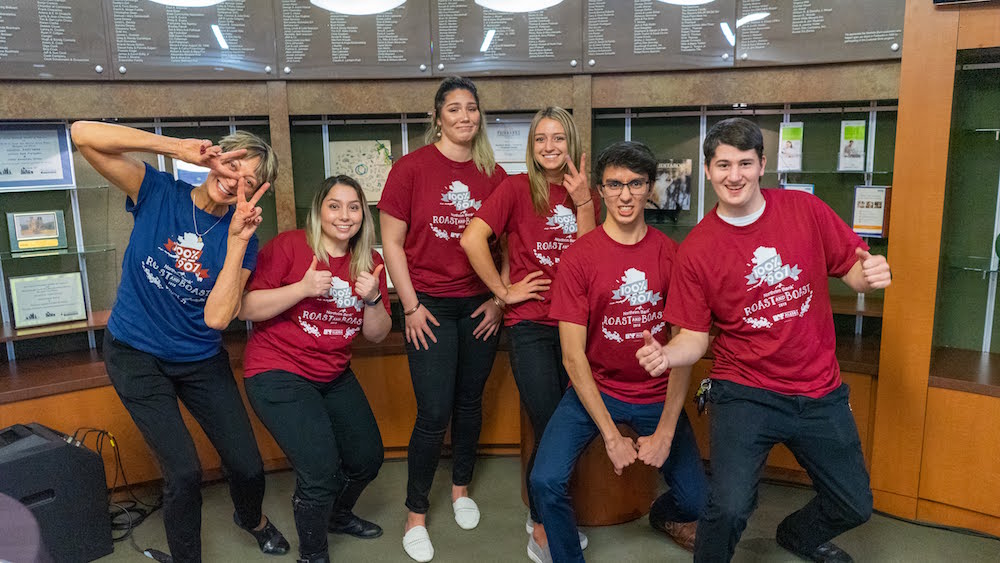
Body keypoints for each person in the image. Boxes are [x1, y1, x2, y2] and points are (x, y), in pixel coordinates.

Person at [636, 117, 891, 563]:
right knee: (730, 507)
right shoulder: (697, 249)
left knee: (854, 503)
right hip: (745, 391)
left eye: (745, 163)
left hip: (819, 390)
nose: (734, 175)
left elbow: (851, 269)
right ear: (709, 169)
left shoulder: (804, 210)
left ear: (763, 164)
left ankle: (797, 535)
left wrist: (869, 277)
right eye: (723, 165)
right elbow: (694, 338)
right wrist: (667, 353)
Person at [70, 121, 289, 562]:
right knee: (184, 473)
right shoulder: (158, 192)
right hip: (135, 353)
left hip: (199, 358)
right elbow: (81, 134)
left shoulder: (243, 239)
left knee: (247, 464)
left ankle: (251, 519)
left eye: (250, 181)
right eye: (232, 165)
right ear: (215, 158)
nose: (235, 181)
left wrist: (236, 241)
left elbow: (217, 317)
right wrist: (176, 148)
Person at [529, 141, 708, 563]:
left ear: (649, 188)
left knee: (699, 503)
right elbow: (573, 357)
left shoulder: (671, 255)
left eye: (635, 184)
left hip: (655, 393)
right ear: (601, 190)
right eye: (614, 184)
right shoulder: (579, 258)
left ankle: (662, 517)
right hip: (595, 390)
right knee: (544, 480)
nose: (625, 195)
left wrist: (665, 431)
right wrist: (611, 436)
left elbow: (683, 349)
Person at [377, 76, 507, 563]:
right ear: (437, 117)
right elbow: (392, 242)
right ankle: (415, 514)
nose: (464, 117)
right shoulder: (411, 169)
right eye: (454, 109)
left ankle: (460, 490)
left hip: (478, 304)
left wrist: (500, 299)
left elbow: (509, 245)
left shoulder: (493, 174)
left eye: (471, 108)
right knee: (434, 412)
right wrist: (408, 306)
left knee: (469, 402)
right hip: (427, 304)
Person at [460, 106, 599, 560]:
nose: (549, 147)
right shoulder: (516, 188)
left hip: (577, 328)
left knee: (570, 425)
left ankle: (549, 512)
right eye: (540, 139)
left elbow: (594, 261)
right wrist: (503, 291)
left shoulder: (587, 195)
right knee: (550, 423)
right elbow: (471, 238)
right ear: (531, 146)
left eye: (558, 138)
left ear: (572, 143)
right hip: (532, 327)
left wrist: (583, 203)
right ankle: (542, 524)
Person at [239, 175, 391, 563]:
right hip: (278, 368)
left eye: (353, 207)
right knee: (321, 471)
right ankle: (313, 555)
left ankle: (337, 516)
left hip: (332, 371)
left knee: (367, 459)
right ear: (319, 211)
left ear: (363, 214)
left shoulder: (370, 262)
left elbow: (377, 335)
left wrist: (373, 300)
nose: (345, 215)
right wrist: (302, 289)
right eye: (334, 206)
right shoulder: (290, 246)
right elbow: (245, 308)